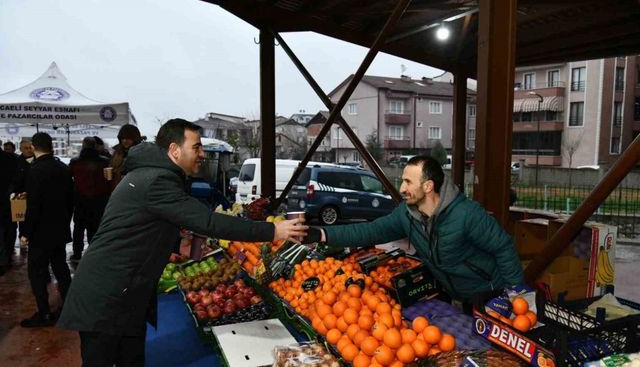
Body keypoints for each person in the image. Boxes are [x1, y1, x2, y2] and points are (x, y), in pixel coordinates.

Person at [58, 119, 308, 366]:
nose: (202, 153)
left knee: (131, 359)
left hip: (123, 294)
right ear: (174, 150)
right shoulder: (157, 180)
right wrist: (273, 230)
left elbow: (141, 225)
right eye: (196, 147)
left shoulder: (147, 174)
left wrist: (178, 244)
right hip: (107, 297)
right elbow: (209, 222)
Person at [304, 155, 523, 307]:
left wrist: (515, 293)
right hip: (455, 296)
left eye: (408, 182)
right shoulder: (406, 214)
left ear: (428, 186)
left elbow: (504, 247)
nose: (401, 188)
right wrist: (321, 234)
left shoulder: (466, 214)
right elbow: (370, 231)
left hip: (491, 294)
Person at [20, 132, 74, 327]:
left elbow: (32, 206)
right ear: (51, 146)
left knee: (36, 272)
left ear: (34, 147)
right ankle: (68, 308)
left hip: (40, 233)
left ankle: (43, 313)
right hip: (59, 229)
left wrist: (25, 232)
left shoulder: (35, 171)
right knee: (61, 269)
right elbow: (70, 201)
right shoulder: (63, 168)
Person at [69, 137, 111, 261]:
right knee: (95, 227)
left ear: (83, 146)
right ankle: (93, 253)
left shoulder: (75, 162)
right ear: (95, 146)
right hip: (99, 200)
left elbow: (68, 179)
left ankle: (77, 253)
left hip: (81, 200)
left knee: (79, 228)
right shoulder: (105, 162)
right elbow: (109, 181)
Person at [9, 139, 35, 250]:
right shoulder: (15, 162)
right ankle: (23, 240)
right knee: (22, 221)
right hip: (20, 197)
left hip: (35, 196)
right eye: (26, 148)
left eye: (30, 147)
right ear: (20, 149)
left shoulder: (39, 161)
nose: (29, 150)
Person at [0, 148, 18, 275]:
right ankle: (8, 257)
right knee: (10, 230)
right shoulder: (12, 158)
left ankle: (3, 262)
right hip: (9, 202)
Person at [109, 124, 142, 189]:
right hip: (117, 188)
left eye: (128, 138)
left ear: (134, 138)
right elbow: (112, 167)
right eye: (122, 138)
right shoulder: (117, 152)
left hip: (134, 189)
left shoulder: (141, 152)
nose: (125, 141)